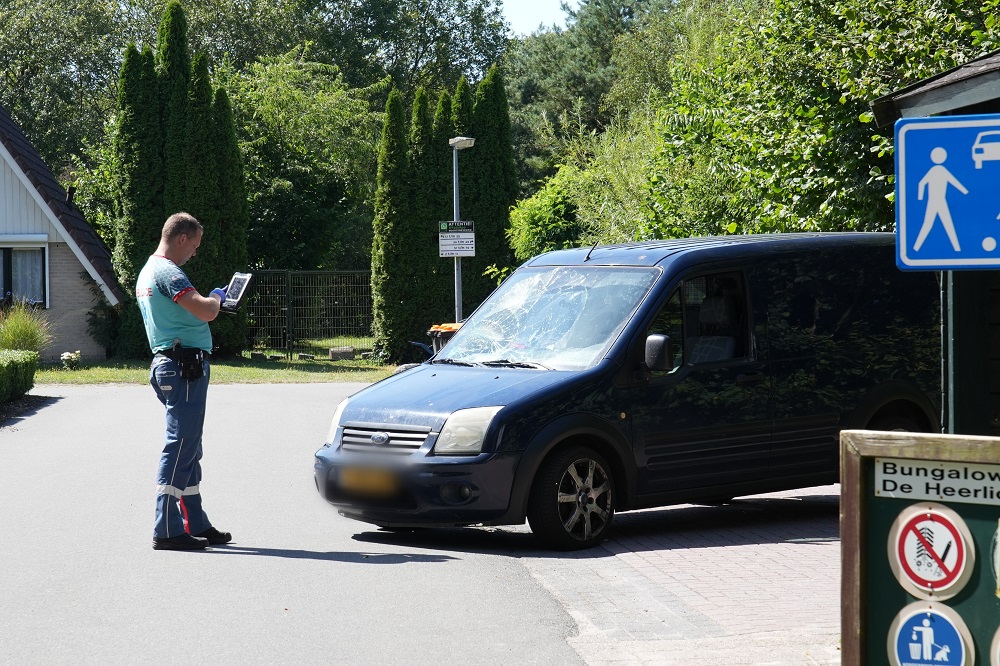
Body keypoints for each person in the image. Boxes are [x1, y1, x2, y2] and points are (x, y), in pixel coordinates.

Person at [136, 212, 232, 551]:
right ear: (181, 238)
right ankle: (166, 529)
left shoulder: (149, 270)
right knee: (180, 445)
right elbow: (205, 311)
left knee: (189, 446)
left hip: (171, 364)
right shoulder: (168, 272)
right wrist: (217, 298)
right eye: (194, 245)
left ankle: (195, 522)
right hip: (184, 367)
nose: (194, 252)